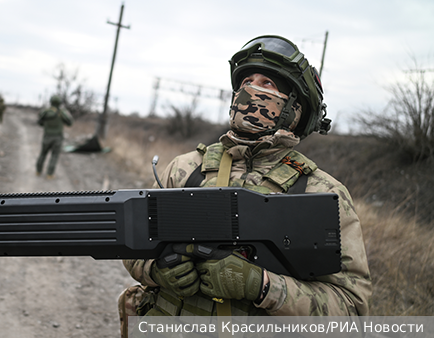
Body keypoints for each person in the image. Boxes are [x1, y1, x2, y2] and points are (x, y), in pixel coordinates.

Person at [119, 35, 372, 333]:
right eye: (246, 81)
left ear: (295, 109)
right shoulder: (186, 169)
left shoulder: (322, 193)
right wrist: (156, 270)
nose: (250, 90)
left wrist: (263, 286)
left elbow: (352, 310)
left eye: (267, 84)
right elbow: (133, 248)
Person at [36, 95, 73, 179]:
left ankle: (38, 171)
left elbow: (39, 122)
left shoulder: (45, 112)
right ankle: (49, 174)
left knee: (43, 154)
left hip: (47, 136)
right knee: (54, 156)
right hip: (57, 138)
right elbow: (70, 123)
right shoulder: (61, 112)